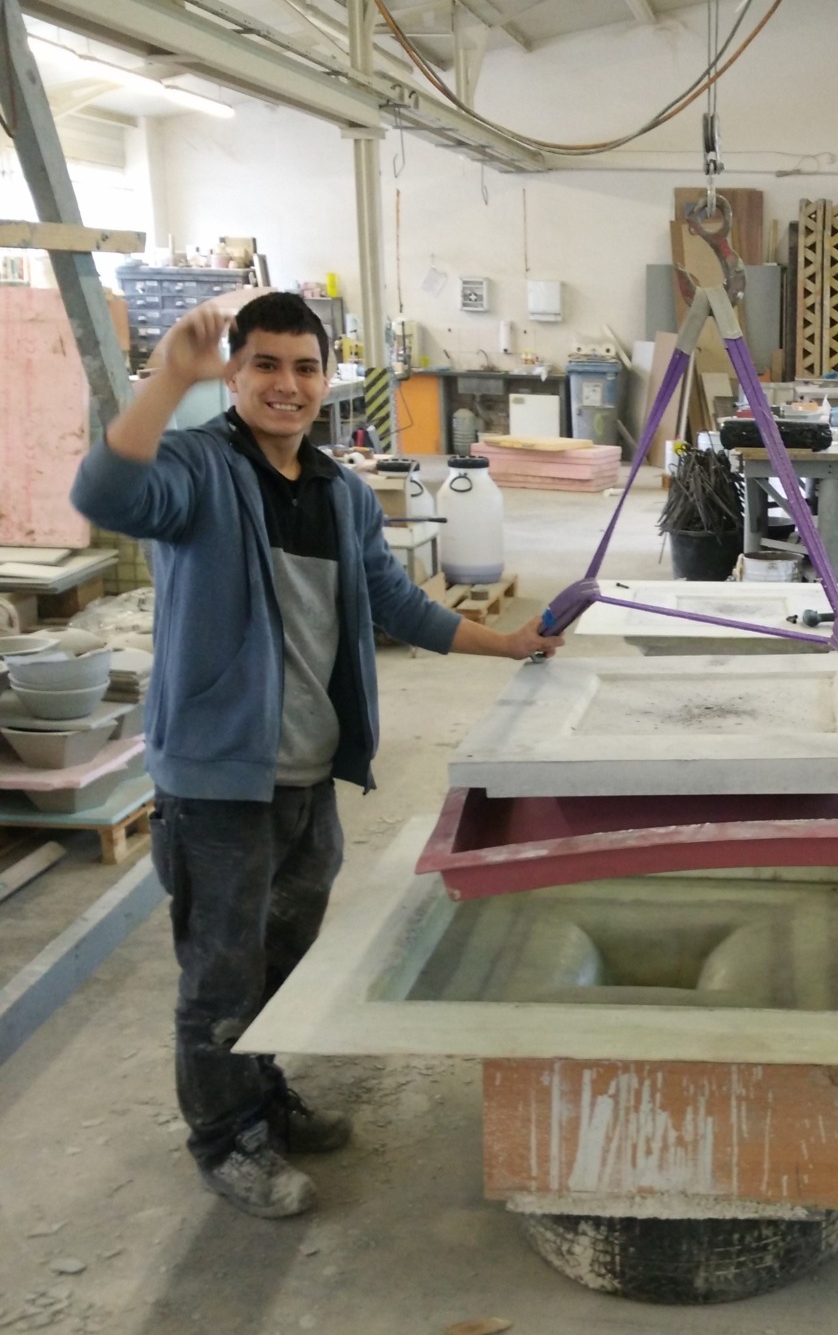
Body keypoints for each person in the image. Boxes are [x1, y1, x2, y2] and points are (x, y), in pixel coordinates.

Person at [71, 292, 564, 1220]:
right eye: (265, 364)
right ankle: (225, 1139)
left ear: (327, 378)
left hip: (307, 774)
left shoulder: (340, 492)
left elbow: (395, 602)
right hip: (220, 780)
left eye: (304, 367)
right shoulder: (198, 470)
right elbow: (105, 494)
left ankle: (261, 1095)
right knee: (220, 976)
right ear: (234, 372)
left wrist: (508, 644)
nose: (287, 385)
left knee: (283, 956)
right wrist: (168, 378)